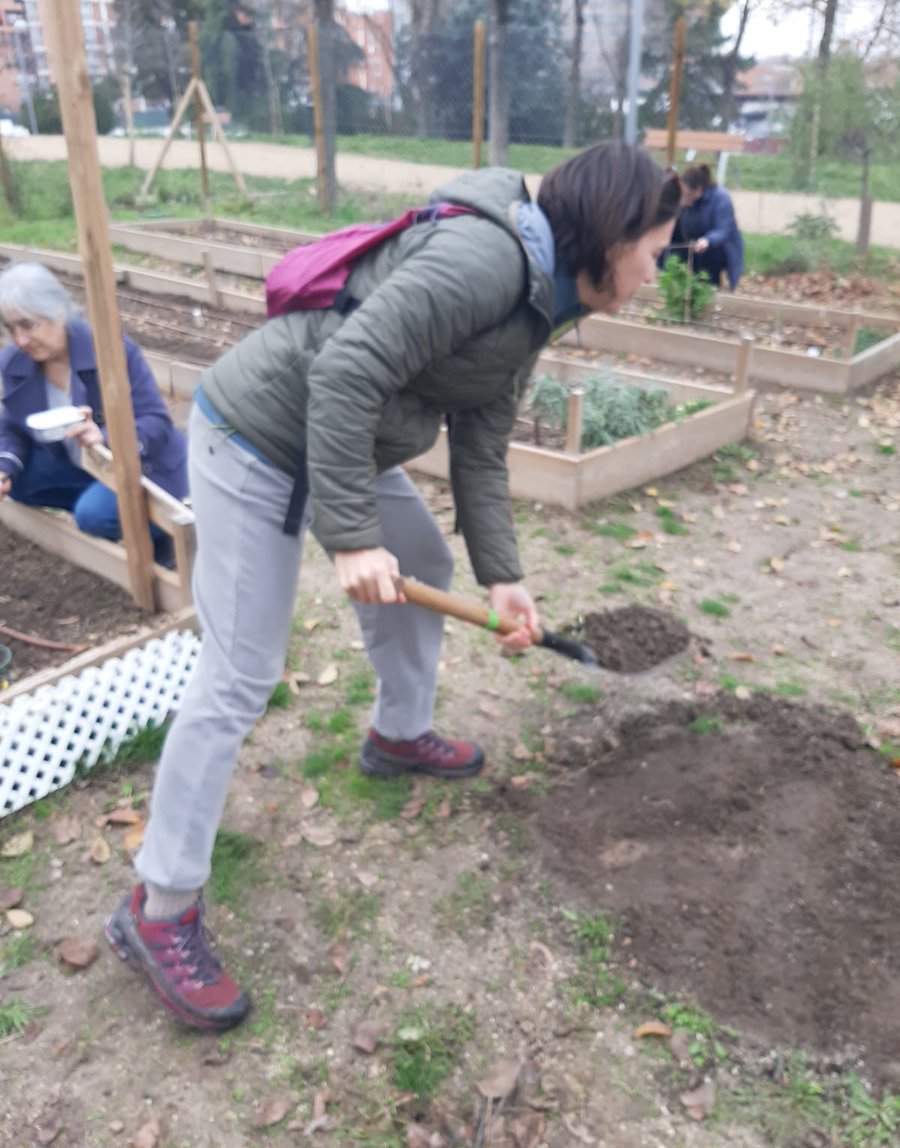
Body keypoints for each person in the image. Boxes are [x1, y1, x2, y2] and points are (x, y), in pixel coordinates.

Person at [104, 141, 682, 1031]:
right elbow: (344, 371)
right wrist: (350, 539)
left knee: (429, 561)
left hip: (345, 439)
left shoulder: (543, 299)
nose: (654, 273)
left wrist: (505, 577)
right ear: (612, 236)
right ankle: (159, 906)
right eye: (654, 252)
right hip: (260, 437)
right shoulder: (485, 261)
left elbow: (481, 441)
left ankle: (398, 734)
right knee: (239, 675)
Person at [0, 262, 188, 565]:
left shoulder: (109, 350)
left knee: (93, 515)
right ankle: (108, 504)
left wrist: (105, 438)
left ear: (57, 311)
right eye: (11, 328)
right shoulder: (16, 362)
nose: (20, 340)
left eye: (28, 325)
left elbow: (156, 422)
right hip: (82, 465)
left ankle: (159, 530)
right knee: (19, 482)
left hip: (144, 465)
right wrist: (5, 466)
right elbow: (13, 424)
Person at [664, 163, 743, 291]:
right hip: (690, 246)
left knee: (708, 267)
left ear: (699, 190)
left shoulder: (721, 198)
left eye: (688, 195)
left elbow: (723, 230)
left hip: (716, 249)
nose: (684, 198)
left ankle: (711, 288)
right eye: (682, 194)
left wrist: (708, 240)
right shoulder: (684, 200)